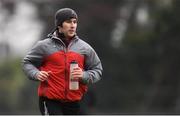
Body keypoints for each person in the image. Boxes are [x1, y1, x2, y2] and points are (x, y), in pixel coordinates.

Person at [22, 8, 103, 115]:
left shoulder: (85, 48)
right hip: (51, 101)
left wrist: (83, 75)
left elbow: (97, 69)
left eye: (74, 22)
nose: (73, 25)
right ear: (59, 25)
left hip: (76, 102)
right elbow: (27, 63)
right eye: (68, 22)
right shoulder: (44, 46)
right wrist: (36, 74)